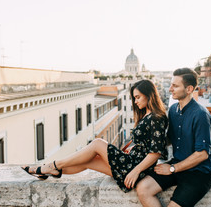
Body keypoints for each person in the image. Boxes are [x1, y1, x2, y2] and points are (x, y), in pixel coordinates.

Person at [22, 79, 168, 193]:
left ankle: (51, 165)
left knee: (97, 143)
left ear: (149, 95)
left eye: (138, 97)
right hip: (131, 164)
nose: (135, 102)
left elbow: (155, 152)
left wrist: (136, 171)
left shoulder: (156, 117)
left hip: (134, 168)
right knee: (88, 161)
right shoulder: (147, 116)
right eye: (134, 98)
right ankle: (52, 170)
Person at [136, 68, 211, 207]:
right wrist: (140, 145)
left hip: (199, 173)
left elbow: (202, 154)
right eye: (171, 85)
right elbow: (168, 139)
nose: (170, 89)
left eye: (175, 86)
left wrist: (173, 168)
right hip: (177, 164)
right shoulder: (173, 110)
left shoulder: (200, 114)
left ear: (189, 89)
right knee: (143, 188)